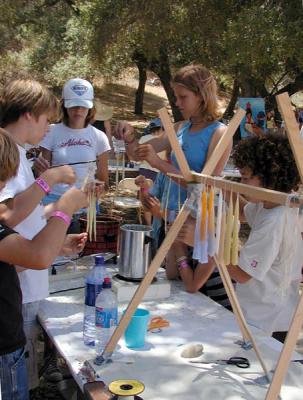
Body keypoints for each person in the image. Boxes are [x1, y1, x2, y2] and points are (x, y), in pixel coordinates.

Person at [0, 78, 100, 393]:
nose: (50, 127)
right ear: (29, 113)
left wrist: (57, 241)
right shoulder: (10, 156)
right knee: (18, 379)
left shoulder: (18, 155)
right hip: (17, 294)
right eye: (47, 119)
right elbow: (9, 217)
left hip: (22, 280)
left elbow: (22, 226)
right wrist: (59, 199)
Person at [114, 64, 231, 291]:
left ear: (201, 95)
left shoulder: (219, 133)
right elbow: (138, 153)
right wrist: (130, 139)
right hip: (168, 219)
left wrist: (159, 164)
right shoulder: (179, 127)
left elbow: (204, 184)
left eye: (183, 97)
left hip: (196, 224)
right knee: (171, 287)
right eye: (176, 96)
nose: (177, 103)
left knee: (195, 290)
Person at [229, 134, 302, 341]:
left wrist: (213, 246)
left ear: (269, 177)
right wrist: (226, 191)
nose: (240, 182)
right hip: (267, 310)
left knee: (266, 367)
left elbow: (242, 274)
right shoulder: (270, 205)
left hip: (268, 319)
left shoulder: (274, 221)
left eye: (245, 178)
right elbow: (244, 213)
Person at [35, 77, 111, 232]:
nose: (78, 111)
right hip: (54, 206)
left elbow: (104, 180)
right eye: (74, 105)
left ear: (91, 107)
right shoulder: (51, 132)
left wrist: (98, 188)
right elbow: (43, 175)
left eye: (83, 106)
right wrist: (41, 171)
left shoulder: (99, 137)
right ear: (64, 105)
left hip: (85, 209)